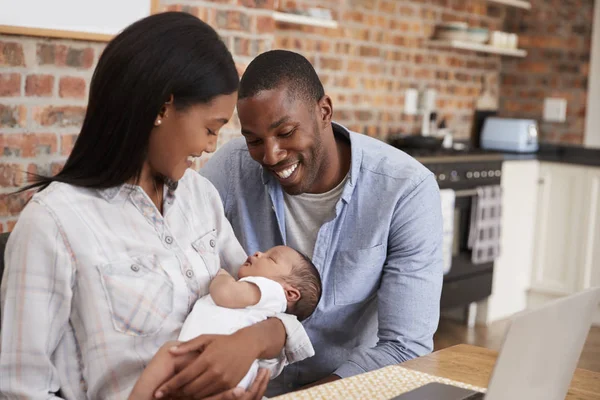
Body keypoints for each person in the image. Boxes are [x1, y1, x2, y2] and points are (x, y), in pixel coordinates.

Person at [0, 14, 314, 400]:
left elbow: (269, 296)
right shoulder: (54, 224)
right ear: (162, 108)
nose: (211, 146)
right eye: (211, 128)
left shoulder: (200, 196)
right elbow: (18, 391)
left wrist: (258, 339)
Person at [200, 49, 444, 396]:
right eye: (254, 140)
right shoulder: (231, 169)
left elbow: (406, 348)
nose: (270, 155)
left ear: (324, 111)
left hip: (347, 391)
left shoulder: (405, 190)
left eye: (285, 132)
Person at [129, 245, 322, 400]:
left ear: (290, 293)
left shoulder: (272, 291)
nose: (258, 253)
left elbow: (225, 295)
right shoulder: (259, 300)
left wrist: (222, 277)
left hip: (218, 364)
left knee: (168, 354)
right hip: (222, 372)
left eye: (270, 258)